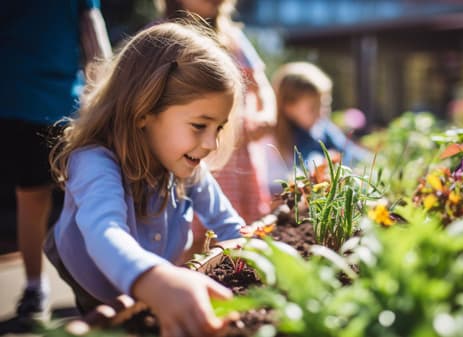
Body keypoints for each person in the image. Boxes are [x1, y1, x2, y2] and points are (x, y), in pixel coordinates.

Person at [44, 22, 245, 336]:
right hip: (90, 272)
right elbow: (104, 232)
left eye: (218, 128)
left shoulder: (185, 164)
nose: (211, 144)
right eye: (199, 125)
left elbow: (229, 224)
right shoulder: (94, 161)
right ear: (143, 112)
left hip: (153, 265)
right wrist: (153, 279)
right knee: (112, 320)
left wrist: (255, 253)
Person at [0, 0, 111, 322]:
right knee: (37, 197)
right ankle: (39, 287)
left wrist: (105, 94)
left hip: (62, 105)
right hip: (18, 102)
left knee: (82, 194)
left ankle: (96, 283)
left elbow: (93, 35)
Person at [161, 0, 277, 223]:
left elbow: (260, 84)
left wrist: (266, 115)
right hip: (190, 154)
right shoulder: (163, 36)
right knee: (193, 236)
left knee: (241, 230)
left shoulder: (233, 38)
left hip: (238, 156)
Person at [263, 62, 371, 195]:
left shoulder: (322, 128)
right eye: (312, 108)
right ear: (288, 107)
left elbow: (351, 152)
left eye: (325, 105)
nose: (321, 113)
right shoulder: (277, 140)